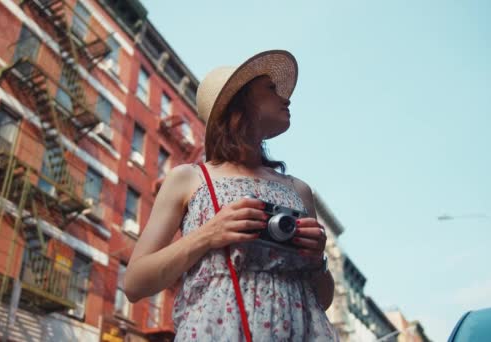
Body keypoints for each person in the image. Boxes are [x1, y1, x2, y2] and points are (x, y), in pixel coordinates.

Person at [124, 50, 339, 341]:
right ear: (240, 102)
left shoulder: (298, 190)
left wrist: (317, 259)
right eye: (271, 89)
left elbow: (321, 301)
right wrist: (208, 234)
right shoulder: (189, 179)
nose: (286, 98)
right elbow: (135, 282)